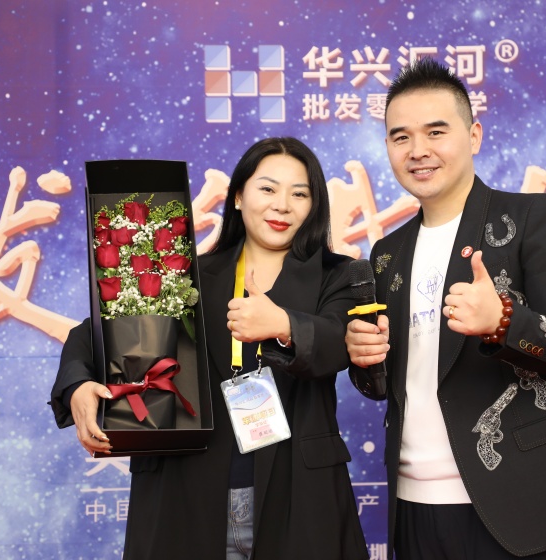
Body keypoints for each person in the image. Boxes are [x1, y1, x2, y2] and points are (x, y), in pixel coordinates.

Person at [50, 137, 369, 560]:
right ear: (238, 196)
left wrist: (284, 325)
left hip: (297, 490)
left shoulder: (341, 275)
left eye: (299, 194)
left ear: (315, 205)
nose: (282, 206)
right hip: (189, 487)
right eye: (267, 189)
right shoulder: (185, 273)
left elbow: (338, 339)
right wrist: (77, 385)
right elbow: (93, 334)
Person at [345, 58, 546, 559]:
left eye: (436, 132)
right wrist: (364, 357)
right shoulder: (386, 253)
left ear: (474, 136)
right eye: (401, 137)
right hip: (413, 505)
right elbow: (384, 386)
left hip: (520, 502)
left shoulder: (535, 216)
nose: (418, 150)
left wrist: (503, 321)